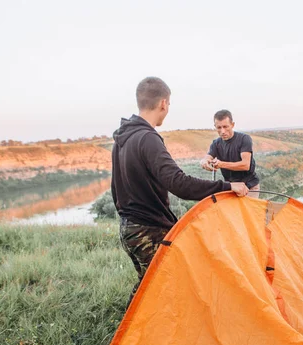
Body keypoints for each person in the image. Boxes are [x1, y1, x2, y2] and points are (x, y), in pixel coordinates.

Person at [111, 77, 248, 305]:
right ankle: (138, 336)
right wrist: (227, 187)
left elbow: (116, 187)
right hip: (147, 231)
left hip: (129, 228)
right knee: (168, 287)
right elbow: (179, 183)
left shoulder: (123, 138)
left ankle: (130, 332)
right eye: (169, 105)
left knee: (149, 285)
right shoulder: (148, 139)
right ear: (164, 103)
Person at [200, 110, 261, 198]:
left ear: (232, 125)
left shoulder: (244, 139)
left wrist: (221, 164)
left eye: (225, 127)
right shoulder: (216, 143)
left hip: (249, 186)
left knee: (246, 211)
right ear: (215, 127)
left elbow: (245, 165)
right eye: (219, 127)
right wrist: (204, 162)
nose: (223, 131)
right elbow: (208, 157)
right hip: (232, 187)